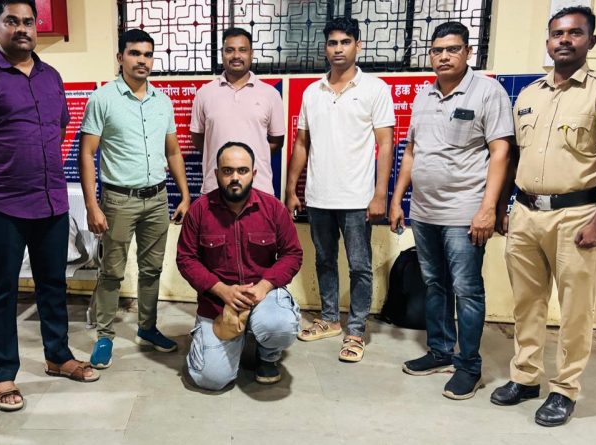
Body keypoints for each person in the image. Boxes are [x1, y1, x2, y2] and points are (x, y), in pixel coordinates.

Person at [0, 0, 99, 412]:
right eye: (11, 21)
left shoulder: (51, 76)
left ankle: (58, 356)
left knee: (54, 283)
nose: (22, 29)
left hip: (51, 200)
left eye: (28, 22)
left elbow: (58, 128)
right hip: (3, 204)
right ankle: (3, 374)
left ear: (37, 27)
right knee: (2, 289)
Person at [490, 6, 596, 427]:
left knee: (576, 309)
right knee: (527, 303)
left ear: (590, 41)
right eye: (557, 33)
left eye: (574, 33)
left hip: (576, 215)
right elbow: (514, 157)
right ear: (548, 41)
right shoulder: (530, 95)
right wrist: (505, 207)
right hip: (526, 212)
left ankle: (565, 389)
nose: (564, 40)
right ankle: (526, 377)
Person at [389, 22, 512, 400]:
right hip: (425, 212)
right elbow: (412, 152)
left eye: (452, 49)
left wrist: (488, 209)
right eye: (437, 50)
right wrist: (397, 199)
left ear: (468, 52)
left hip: (464, 213)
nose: (444, 56)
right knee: (435, 284)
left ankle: (469, 366)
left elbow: (501, 152)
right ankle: (440, 351)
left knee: (467, 290)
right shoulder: (424, 96)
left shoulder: (487, 92)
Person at [79, 29, 191, 369]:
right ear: (120, 58)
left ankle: (147, 327)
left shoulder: (162, 101)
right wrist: (92, 205)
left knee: (152, 269)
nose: (142, 60)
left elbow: (173, 151)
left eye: (147, 54)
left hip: (157, 198)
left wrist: (185, 194)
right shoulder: (102, 99)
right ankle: (104, 336)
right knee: (112, 271)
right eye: (134, 53)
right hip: (118, 200)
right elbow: (87, 153)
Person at [285, 17, 395, 362]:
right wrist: (291, 188)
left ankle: (356, 330)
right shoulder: (312, 92)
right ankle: (331, 319)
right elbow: (301, 144)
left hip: (357, 198)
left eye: (345, 42)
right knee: (324, 260)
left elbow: (385, 144)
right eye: (332, 43)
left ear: (358, 45)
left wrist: (380, 194)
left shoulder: (374, 89)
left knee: (360, 265)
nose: (338, 49)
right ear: (325, 48)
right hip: (319, 196)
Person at [177, 142, 302, 389]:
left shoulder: (273, 209)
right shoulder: (199, 211)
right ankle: (217, 339)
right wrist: (221, 289)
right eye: (228, 171)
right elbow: (186, 259)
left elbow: (292, 254)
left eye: (242, 170)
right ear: (216, 174)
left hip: (263, 297)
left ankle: (267, 355)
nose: (235, 177)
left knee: (279, 326)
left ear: (253, 173)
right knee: (211, 380)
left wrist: (264, 286)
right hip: (217, 304)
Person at [190, 27, 285, 195]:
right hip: (215, 188)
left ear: (251, 54)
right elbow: (199, 138)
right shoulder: (204, 93)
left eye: (242, 50)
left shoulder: (270, 94)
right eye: (229, 50)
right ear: (222, 54)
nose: (236, 56)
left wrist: (250, 156)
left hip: (258, 188)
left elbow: (277, 141)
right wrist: (223, 158)